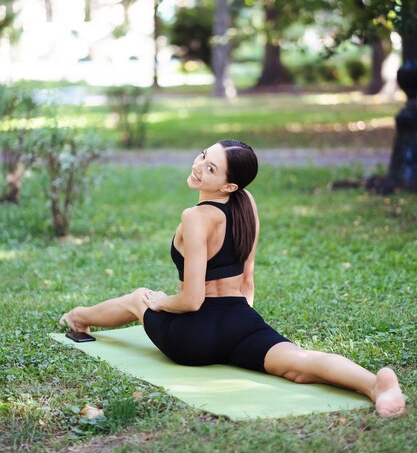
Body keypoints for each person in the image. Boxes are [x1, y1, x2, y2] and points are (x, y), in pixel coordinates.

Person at [60, 140, 405, 418]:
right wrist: (243, 325)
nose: (198, 166)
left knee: (140, 297)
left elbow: (191, 301)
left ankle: (79, 317)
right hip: (240, 320)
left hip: (191, 338)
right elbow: (248, 279)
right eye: (202, 156)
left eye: (210, 167)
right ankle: (375, 384)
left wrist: (160, 301)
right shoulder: (247, 202)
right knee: (298, 363)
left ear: (228, 184)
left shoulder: (195, 217)